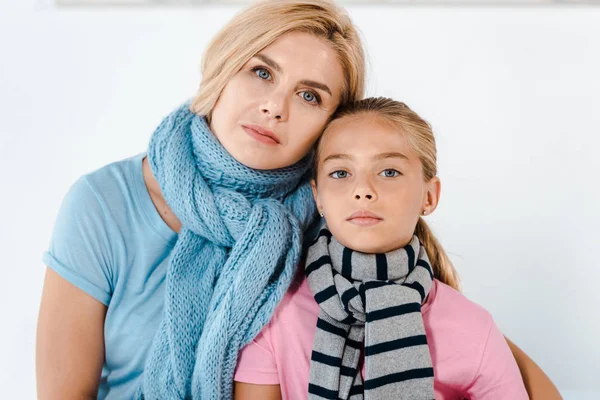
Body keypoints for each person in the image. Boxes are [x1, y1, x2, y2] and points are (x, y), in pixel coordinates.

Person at [35, 1, 559, 399]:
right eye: (261, 72)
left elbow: (459, 333)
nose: (275, 107)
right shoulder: (103, 204)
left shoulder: (337, 214)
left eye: (310, 95)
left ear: (330, 125)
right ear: (222, 70)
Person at [233, 98, 558, 399]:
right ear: (318, 196)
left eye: (389, 171)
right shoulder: (274, 313)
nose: (362, 190)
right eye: (341, 172)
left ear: (429, 196)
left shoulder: (474, 330)